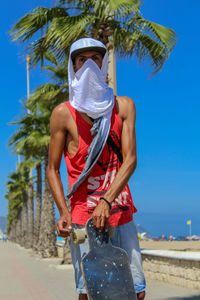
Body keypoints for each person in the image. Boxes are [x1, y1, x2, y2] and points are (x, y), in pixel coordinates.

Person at [47, 37, 146, 300]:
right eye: (82, 60)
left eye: (95, 59)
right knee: (89, 293)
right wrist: (63, 211)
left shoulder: (123, 107)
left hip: (120, 212)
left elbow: (131, 159)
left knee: (135, 292)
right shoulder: (63, 114)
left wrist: (107, 199)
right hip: (84, 218)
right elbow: (52, 169)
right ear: (74, 67)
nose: (89, 65)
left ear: (103, 65)